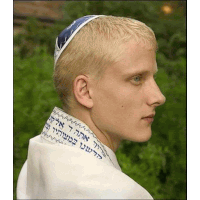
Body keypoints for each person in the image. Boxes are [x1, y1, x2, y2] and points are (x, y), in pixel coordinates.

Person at [17, 15, 166, 199]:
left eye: (153, 77)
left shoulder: (40, 160)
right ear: (85, 91)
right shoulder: (117, 194)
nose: (158, 97)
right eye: (137, 78)